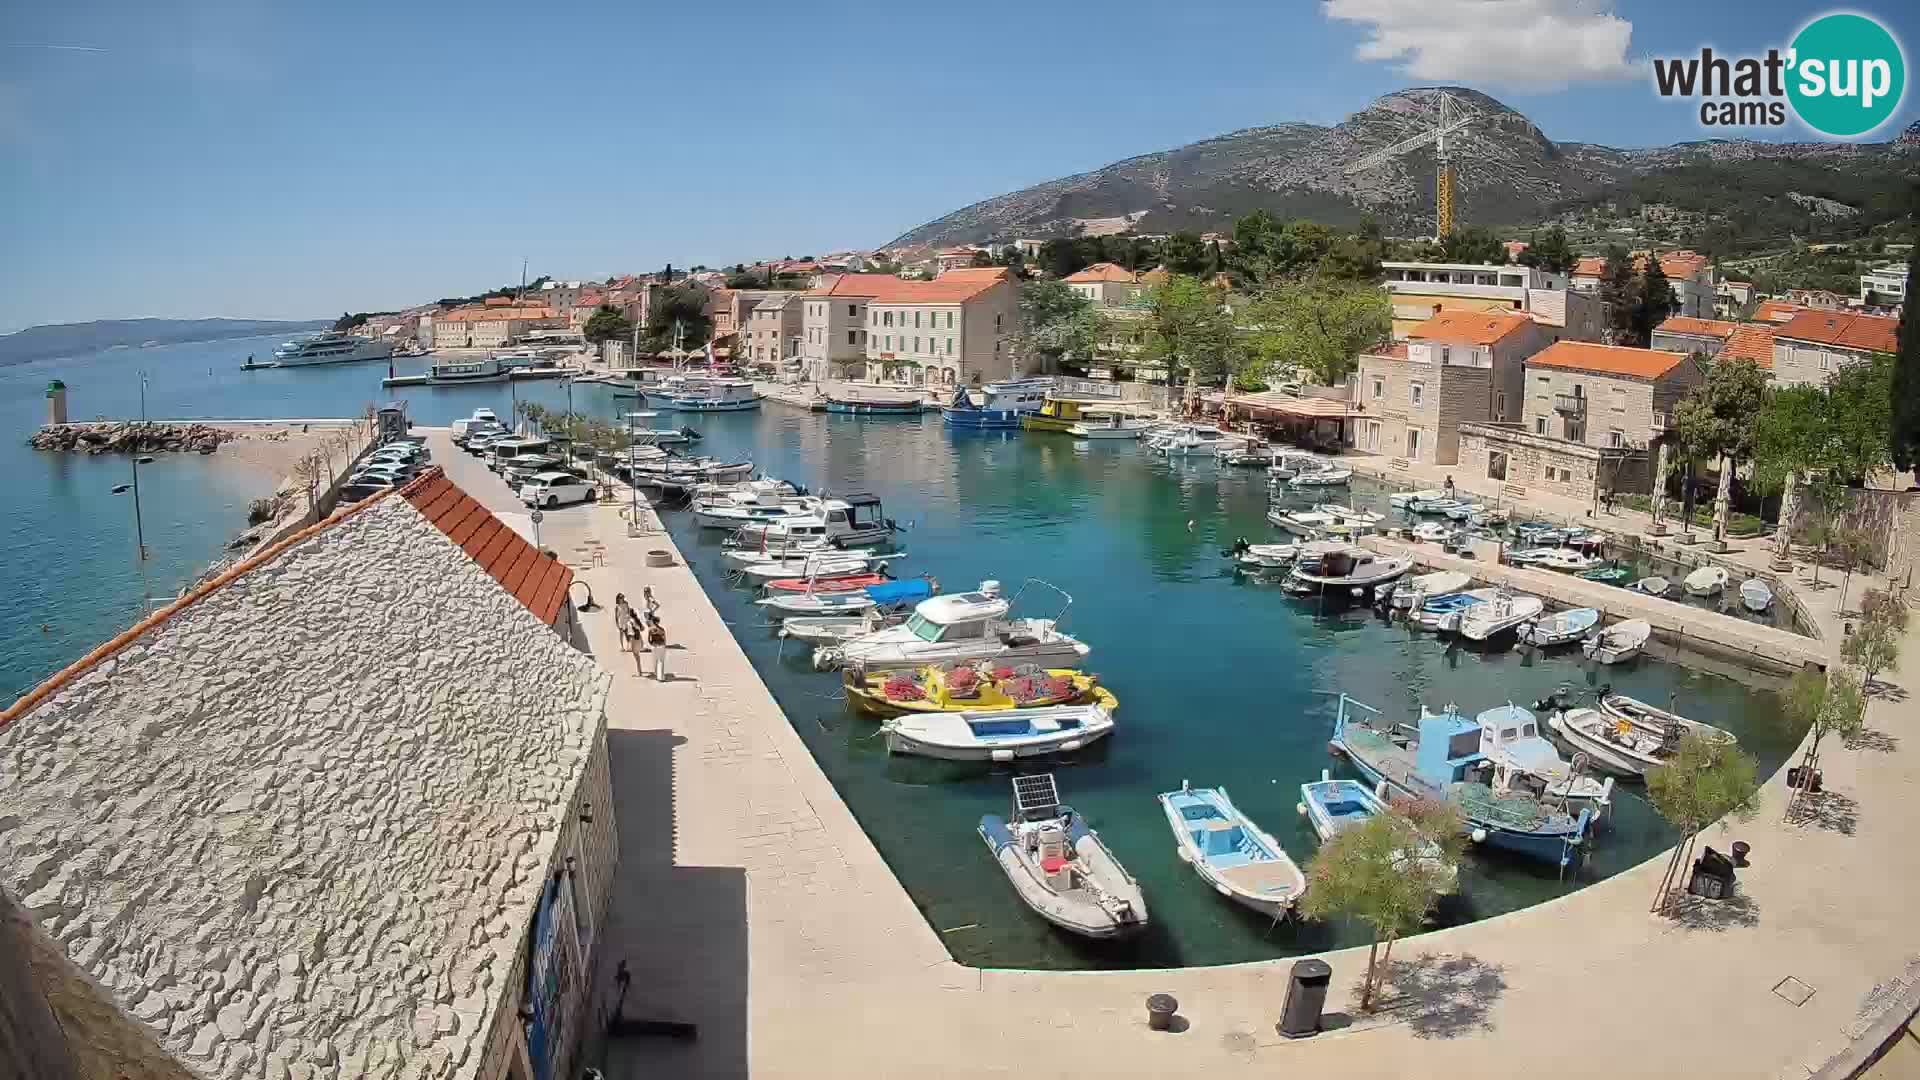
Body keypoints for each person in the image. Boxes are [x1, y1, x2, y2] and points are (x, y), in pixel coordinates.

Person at [646, 614, 669, 681]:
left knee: (655, 661)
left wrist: (651, 644)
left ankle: (656, 674)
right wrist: (664, 645)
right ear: (658, 622)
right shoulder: (662, 629)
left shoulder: (650, 629)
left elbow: (649, 639)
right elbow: (664, 639)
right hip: (661, 646)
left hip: (654, 646)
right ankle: (661, 677)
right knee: (661, 661)